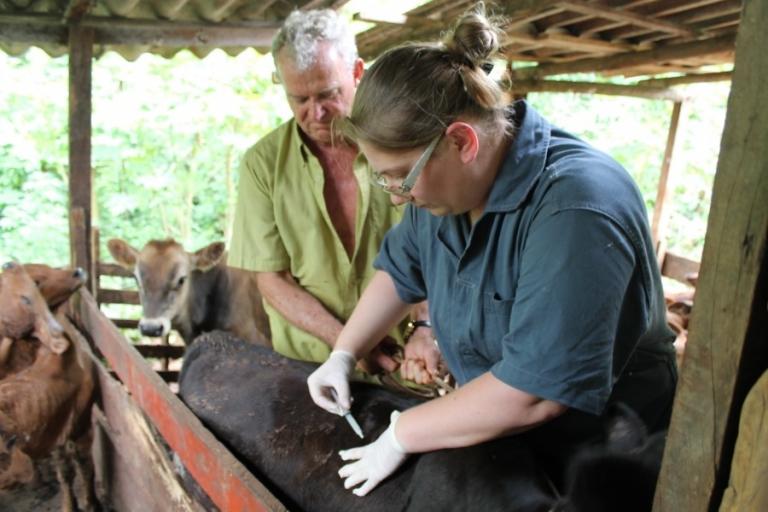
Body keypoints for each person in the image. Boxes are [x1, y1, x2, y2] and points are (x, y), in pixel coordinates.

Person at [306, 4, 678, 498]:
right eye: (384, 179)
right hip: (503, 437)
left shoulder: (577, 208)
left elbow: (533, 394)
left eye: (400, 178)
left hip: (600, 456)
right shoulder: (447, 191)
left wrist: (402, 433)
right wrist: (344, 352)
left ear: (461, 142)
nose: (396, 197)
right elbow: (402, 270)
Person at [229, 9, 440, 383]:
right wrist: (348, 346)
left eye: (328, 94)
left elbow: (433, 250)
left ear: (357, 72)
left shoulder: (404, 146)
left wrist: (424, 326)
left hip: (406, 364)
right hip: (306, 371)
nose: (317, 113)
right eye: (299, 99)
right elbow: (272, 279)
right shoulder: (262, 164)